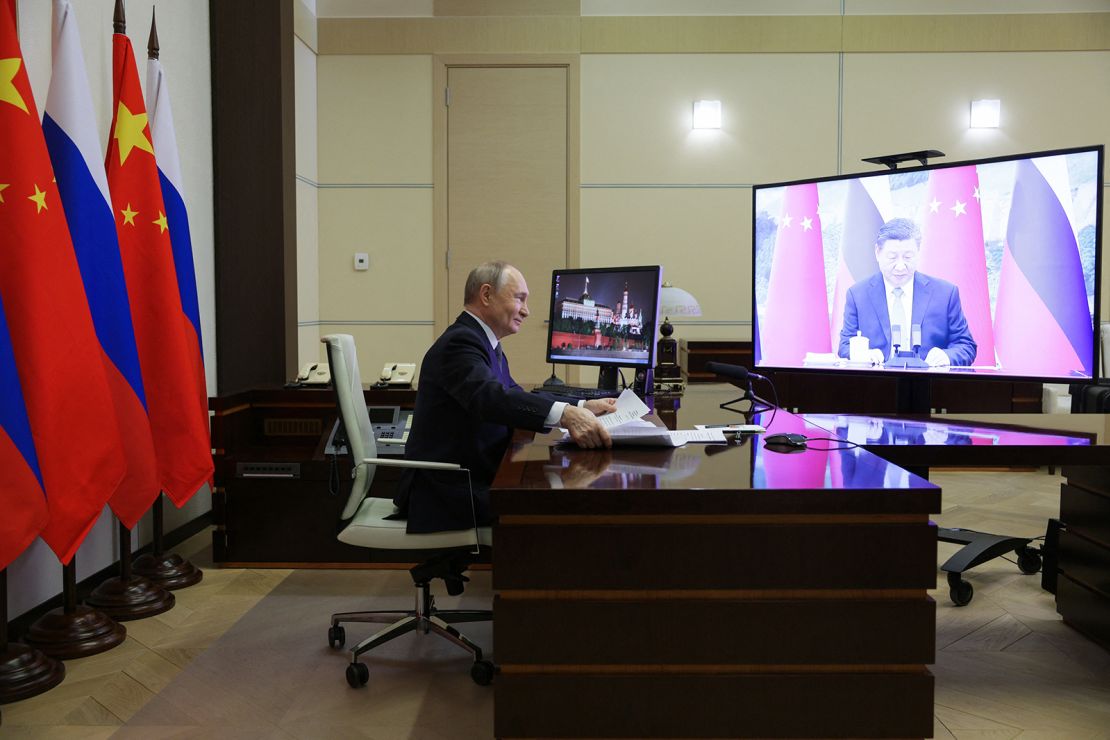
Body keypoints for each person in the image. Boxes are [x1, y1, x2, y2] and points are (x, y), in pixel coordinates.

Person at [394, 261, 616, 533]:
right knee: (558, 506)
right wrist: (567, 415)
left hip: (470, 477)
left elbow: (513, 394)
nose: (526, 310)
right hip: (447, 491)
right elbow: (490, 398)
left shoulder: (485, 342)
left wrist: (580, 405)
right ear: (486, 295)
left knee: (555, 487)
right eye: (519, 298)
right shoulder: (460, 343)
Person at [837, 218, 977, 367]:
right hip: (877, 383)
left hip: (928, 383)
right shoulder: (858, 295)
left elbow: (966, 346)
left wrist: (946, 356)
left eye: (908, 257)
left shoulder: (945, 293)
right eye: (892, 257)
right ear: (878, 253)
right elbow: (845, 346)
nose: (900, 266)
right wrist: (863, 354)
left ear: (918, 253)